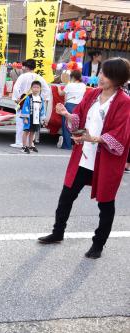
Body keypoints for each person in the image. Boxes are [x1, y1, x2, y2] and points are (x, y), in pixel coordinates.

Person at [38, 58, 130, 259]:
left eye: (105, 74)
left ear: (117, 78)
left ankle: (98, 244)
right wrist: (67, 115)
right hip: (84, 156)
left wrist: (95, 138)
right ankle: (57, 232)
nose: (100, 77)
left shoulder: (124, 102)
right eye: (101, 73)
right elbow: (79, 118)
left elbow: (121, 134)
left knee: (105, 203)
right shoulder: (93, 94)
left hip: (106, 160)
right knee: (66, 195)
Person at [11, 59, 50, 148]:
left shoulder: (22, 76)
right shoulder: (39, 77)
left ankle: (19, 142)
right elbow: (46, 90)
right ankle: (30, 143)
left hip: (23, 102)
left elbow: (16, 88)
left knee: (21, 122)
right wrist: (41, 98)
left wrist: (16, 99)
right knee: (32, 122)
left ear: (25, 67)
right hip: (35, 103)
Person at [57, 70, 86, 150]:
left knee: (66, 125)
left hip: (69, 106)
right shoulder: (83, 85)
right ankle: (77, 143)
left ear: (72, 77)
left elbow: (61, 94)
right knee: (77, 126)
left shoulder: (70, 85)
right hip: (79, 107)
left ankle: (67, 145)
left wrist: (59, 87)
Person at [20, 81, 46, 154]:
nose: (36, 89)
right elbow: (25, 107)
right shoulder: (29, 97)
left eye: (38, 87)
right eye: (34, 87)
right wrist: (25, 118)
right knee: (26, 131)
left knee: (33, 132)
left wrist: (42, 118)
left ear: (40, 89)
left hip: (36, 118)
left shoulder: (41, 98)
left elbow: (42, 109)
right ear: (31, 88)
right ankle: (24, 147)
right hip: (29, 118)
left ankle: (30, 145)